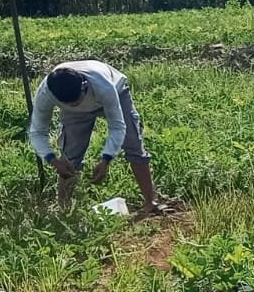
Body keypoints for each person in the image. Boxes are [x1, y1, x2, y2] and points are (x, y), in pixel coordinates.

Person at [28, 60, 162, 212]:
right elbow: (37, 132)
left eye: (76, 100)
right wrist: (52, 160)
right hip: (74, 115)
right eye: (68, 103)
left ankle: (150, 202)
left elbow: (118, 126)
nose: (74, 105)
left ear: (84, 86)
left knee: (133, 143)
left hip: (116, 93)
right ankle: (64, 210)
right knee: (70, 156)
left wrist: (106, 160)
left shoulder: (103, 86)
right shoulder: (46, 92)